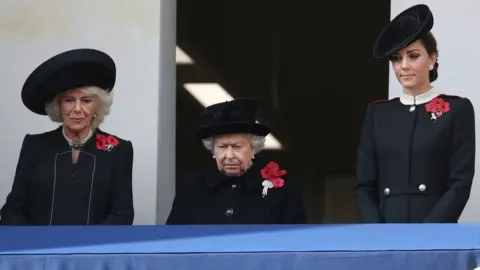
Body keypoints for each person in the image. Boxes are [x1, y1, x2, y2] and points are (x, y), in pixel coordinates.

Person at [355, 4, 475, 223]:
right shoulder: (378, 113)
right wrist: (376, 233)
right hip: (384, 234)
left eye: (413, 55)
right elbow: (364, 186)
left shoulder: (457, 110)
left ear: (432, 59)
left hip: (435, 232)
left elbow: (460, 183)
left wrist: (428, 232)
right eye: (397, 58)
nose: (404, 66)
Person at [0, 48, 134, 225]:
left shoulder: (117, 149)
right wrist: (36, 245)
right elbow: (13, 210)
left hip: (92, 250)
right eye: (69, 100)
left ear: (97, 107)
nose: (77, 109)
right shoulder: (35, 145)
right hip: (40, 249)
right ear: (58, 107)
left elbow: (122, 214)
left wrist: (86, 247)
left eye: (86, 101)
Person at [166, 98, 308, 224]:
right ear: (212, 150)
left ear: (253, 148)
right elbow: (173, 240)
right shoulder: (193, 187)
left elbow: (297, 240)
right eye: (221, 147)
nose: (229, 155)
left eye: (237, 147)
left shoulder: (282, 188)